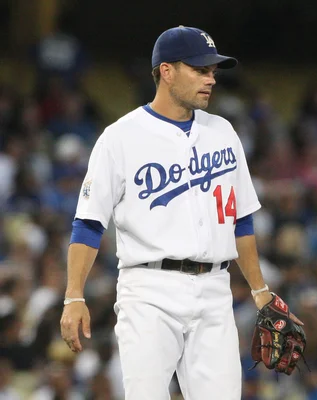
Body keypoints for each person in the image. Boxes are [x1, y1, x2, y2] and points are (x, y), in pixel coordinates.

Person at [59, 25, 302, 400]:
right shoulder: (120, 137)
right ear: (167, 71)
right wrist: (74, 296)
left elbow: (242, 221)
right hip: (149, 290)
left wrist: (260, 290)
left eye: (213, 72)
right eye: (201, 70)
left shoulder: (223, 132)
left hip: (215, 289)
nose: (211, 79)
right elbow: (89, 224)